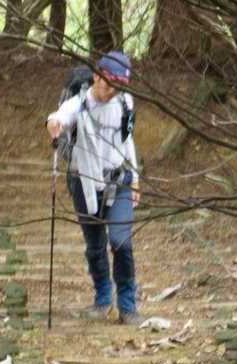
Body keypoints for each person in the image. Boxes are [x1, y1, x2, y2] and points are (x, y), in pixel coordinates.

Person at [46, 52, 142, 326]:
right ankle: (102, 298)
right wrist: (54, 124)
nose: (112, 90)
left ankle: (128, 305)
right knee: (96, 245)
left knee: (121, 242)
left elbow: (128, 140)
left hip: (119, 181)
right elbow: (59, 117)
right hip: (85, 183)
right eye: (109, 83)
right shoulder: (79, 104)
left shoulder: (125, 103)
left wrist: (135, 177)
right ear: (97, 76)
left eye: (118, 85)